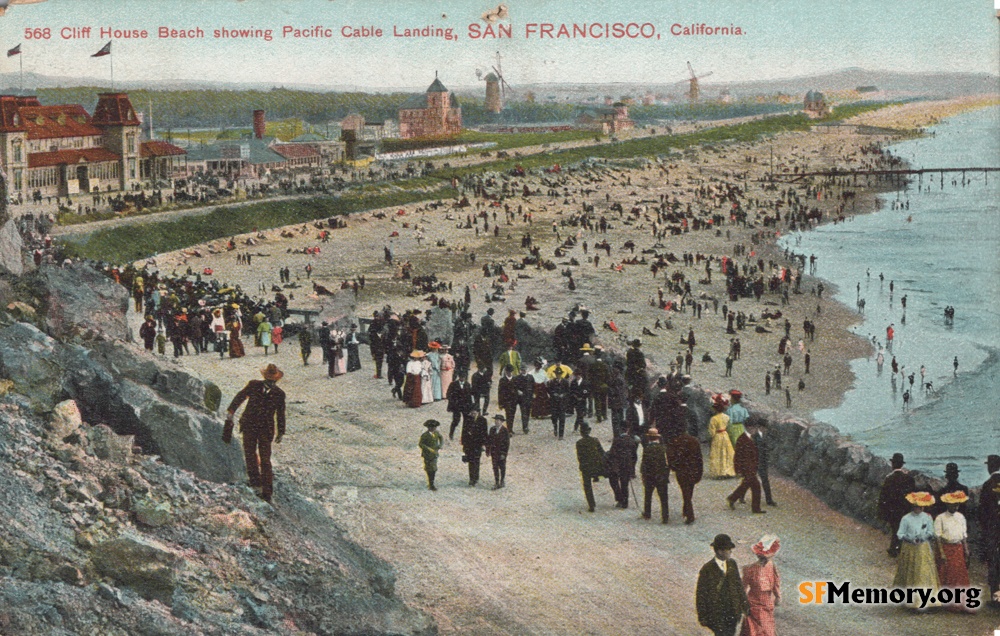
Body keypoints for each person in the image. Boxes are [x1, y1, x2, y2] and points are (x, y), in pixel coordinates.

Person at [223, 364, 286, 503]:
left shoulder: (280, 394)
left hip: (265, 430)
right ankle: (255, 482)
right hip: (249, 425)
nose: (271, 382)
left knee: (265, 459)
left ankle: (267, 492)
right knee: (250, 454)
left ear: (275, 381)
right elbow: (239, 397)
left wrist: (281, 431)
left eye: (273, 381)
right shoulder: (253, 385)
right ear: (265, 378)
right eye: (269, 380)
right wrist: (231, 412)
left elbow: (281, 414)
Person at [696, 534, 750, 636]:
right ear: (720, 551)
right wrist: (702, 616)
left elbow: (738, 585)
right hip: (717, 614)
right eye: (728, 549)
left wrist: (745, 605)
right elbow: (701, 594)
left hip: (733, 612)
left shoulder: (732, 564)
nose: (731, 551)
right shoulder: (707, 569)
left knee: (731, 633)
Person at [893, 492, 939, 609]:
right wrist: (909, 539)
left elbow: (931, 532)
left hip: (923, 548)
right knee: (910, 571)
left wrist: (923, 537)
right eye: (916, 506)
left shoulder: (927, 517)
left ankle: (925, 600)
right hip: (909, 548)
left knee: (922, 572)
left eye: (920, 507)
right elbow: (900, 533)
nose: (918, 509)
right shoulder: (906, 518)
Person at [934, 491, 971, 612]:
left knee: (959, 575)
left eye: (957, 505)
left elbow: (963, 535)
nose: (955, 507)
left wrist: (966, 549)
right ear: (947, 505)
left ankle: (962, 603)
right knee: (946, 574)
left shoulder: (961, 517)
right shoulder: (940, 518)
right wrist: (942, 553)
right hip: (946, 548)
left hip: (958, 548)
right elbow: (938, 537)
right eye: (952, 505)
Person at [740, 535, 781, 636]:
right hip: (753, 605)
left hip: (767, 605)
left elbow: (775, 582)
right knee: (753, 631)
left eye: (767, 557)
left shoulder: (771, 566)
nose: (764, 560)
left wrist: (777, 596)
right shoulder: (749, 569)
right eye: (762, 557)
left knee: (768, 631)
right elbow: (742, 588)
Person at [878, 452, 916, 557]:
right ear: (902, 465)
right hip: (904, 509)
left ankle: (894, 549)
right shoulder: (908, 478)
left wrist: (882, 511)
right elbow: (912, 494)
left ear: (893, 464)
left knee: (895, 529)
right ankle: (900, 548)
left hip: (893, 509)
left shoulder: (889, 478)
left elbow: (884, 496)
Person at [667, 427, 704, 525]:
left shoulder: (675, 442)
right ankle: (686, 509)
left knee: (685, 492)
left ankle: (689, 514)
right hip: (693, 470)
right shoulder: (694, 441)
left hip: (682, 471)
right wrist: (700, 471)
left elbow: (671, 457)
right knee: (690, 490)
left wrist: (674, 467)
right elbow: (699, 458)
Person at [727, 422, 765, 514]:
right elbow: (737, 456)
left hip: (751, 467)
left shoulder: (750, 438)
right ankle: (755, 509)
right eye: (753, 428)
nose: (754, 430)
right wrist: (738, 470)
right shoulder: (742, 439)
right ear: (748, 427)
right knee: (756, 486)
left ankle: (732, 498)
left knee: (745, 485)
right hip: (746, 468)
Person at [640, 428, 670, 524]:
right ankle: (665, 516)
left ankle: (647, 513)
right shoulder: (663, 448)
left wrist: (643, 475)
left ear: (649, 438)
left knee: (648, 495)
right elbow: (667, 463)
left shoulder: (647, 449)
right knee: (664, 497)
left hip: (650, 476)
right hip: (661, 476)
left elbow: (644, 464)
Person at [576, 422, 606, 512]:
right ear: (589, 431)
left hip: (586, 467)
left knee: (587, 485)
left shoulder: (579, 443)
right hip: (597, 466)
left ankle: (591, 505)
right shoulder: (595, 440)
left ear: (581, 432)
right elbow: (602, 452)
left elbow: (580, 457)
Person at [607, 429, 638, 509]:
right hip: (627, 465)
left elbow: (612, 453)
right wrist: (632, 467)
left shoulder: (617, 440)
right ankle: (625, 502)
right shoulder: (632, 441)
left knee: (614, 481)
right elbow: (634, 456)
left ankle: (619, 498)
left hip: (617, 465)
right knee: (625, 484)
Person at [708, 394, 736, 479]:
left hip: (717, 436)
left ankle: (719, 472)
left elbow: (711, 431)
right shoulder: (726, 417)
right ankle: (728, 471)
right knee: (727, 452)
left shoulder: (713, 419)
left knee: (718, 453)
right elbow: (729, 427)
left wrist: (711, 436)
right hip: (725, 435)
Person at [751, 416, 776, 507]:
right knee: (749, 480)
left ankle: (769, 500)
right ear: (761, 427)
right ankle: (740, 496)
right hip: (756, 461)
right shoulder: (755, 437)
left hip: (763, 462)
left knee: (765, 481)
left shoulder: (763, 436)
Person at [461, 409, 488, 487]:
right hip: (469, 444)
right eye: (472, 413)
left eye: (475, 413)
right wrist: (464, 444)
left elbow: (484, 433)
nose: (473, 414)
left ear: (478, 412)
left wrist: (484, 444)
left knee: (477, 460)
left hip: (478, 444)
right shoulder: (467, 420)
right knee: (470, 461)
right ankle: (471, 478)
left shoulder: (483, 420)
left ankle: (476, 477)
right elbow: (463, 432)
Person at [446, 374, 474, 439]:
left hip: (465, 406)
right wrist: (453, 402)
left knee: (466, 422)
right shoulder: (453, 384)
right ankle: (451, 433)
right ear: (459, 377)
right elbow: (448, 394)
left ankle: (464, 436)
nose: (462, 379)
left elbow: (470, 396)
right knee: (456, 421)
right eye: (461, 377)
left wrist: (471, 406)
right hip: (456, 406)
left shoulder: (468, 385)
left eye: (463, 377)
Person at [418, 420, 444, 491]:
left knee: (434, 469)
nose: (433, 429)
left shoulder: (436, 433)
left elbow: (441, 438)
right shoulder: (425, 435)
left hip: (434, 454)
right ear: (428, 427)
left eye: (434, 427)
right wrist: (428, 449)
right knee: (429, 468)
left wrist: (440, 445)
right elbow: (421, 444)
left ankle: (432, 483)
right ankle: (431, 484)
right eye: (431, 427)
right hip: (427, 454)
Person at [488, 414, 510, 489]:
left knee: (502, 467)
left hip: (501, 452)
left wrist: (504, 453)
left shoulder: (505, 430)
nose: (496, 422)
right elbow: (489, 441)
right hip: (494, 452)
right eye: (496, 420)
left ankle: (502, 480)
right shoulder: (492, 429)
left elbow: (507, 443)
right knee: (495, 467)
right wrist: (488, 451)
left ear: (501, 422)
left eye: (498, 420)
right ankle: (496, 482)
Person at [547, 366, 570, 439]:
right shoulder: (552, 382)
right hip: (554, 402)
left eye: (559, 374)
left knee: (562, 418)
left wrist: (564, 395)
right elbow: (549, 390)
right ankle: (555, 426)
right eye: (557, 374)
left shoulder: (565, 382)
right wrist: (554, 394)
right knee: (554, 417)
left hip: (562, 402)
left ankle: (561, 435)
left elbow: (568, 391)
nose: (558, 375)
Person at [513, 364, 535, 434]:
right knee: (524, 412)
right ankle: (525, 427)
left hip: (529, 397)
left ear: (527, 369)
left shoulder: (530, 377)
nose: (523, 371)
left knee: (528, 412)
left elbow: (533, 386)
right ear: (520, 370)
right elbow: (514, 387)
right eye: (522, 370)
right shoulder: (517, 378)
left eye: (525, 369)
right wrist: (518, 391)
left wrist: (533, 394)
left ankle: (526, 425)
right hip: (521, 398)